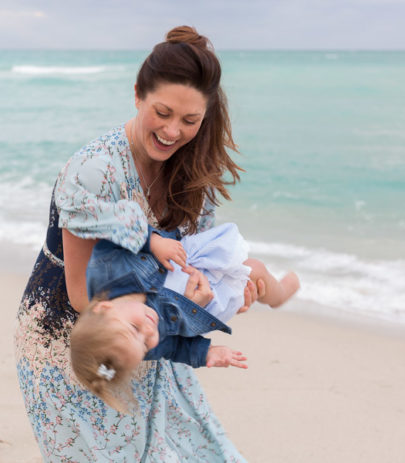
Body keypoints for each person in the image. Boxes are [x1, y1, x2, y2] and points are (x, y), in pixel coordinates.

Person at [15, 25, 256, 462]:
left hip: (149, 329)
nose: (172, 131)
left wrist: (220, 292)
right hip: (73, 345)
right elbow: (81, 295)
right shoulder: (96, 171)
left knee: (194, 449)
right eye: (162, 112)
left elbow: (197, 259)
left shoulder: (191, 170)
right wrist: (179, 312)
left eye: (189, 120)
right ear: (137, 95)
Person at [71, 223, 300, 413]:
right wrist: (205, 353)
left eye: (134, 328)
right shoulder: (134, 343)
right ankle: (276, 296)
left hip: (190, 259)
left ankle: (277, 293)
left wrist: (153, 241)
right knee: (254, 270)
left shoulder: (107, 270)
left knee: (247, 265)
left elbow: (117, 230)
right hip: (204, 304)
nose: (149, 332)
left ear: (103, 308)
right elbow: (173, 347)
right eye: (144, 345)